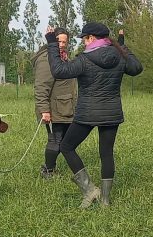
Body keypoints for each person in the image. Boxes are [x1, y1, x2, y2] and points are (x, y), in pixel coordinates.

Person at [45, 22, 143, 208]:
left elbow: (59, 70)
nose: (83, 42)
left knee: (66, 146)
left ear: (91, 38)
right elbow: (136, 68)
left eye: (84, 38)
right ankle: (105, 201)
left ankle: (90, 190)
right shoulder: (119, 56)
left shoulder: (84, 59)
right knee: (106, 153)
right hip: (112, 113)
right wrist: (122, 46)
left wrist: (51, 43)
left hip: (87, 113)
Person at [31, 27, 77, 178]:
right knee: (55, 140)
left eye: (65, 41)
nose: (62, 44)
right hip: (54, 108)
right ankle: (48, 171)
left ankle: (50, 168)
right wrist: (44, 110)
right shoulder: (46, 58)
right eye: (59, 41)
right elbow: (41, 86)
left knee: (64, 141)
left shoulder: (63, 56)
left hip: (65, 107)